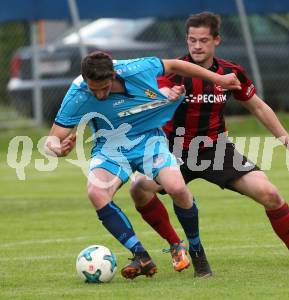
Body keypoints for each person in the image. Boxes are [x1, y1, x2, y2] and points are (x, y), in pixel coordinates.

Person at [130, 11, 289, 277]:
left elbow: (258, 107)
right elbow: (155, 98)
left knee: (271, 194)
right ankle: (176, 245)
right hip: (173, 151)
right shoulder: (174, 71)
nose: (197, 46)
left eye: (203, 40)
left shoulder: (231, 73)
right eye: (192, 40)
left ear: (216, 41)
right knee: (139, 189)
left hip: (216, 150)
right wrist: (166, 97)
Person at [45, 51, 241, 279]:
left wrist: (218, 79)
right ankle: (141, 255)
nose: (99, 94)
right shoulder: (78, 93)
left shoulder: (138, 68)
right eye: (93, 89)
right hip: (110, 147)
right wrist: (57, 149)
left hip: (149, 140)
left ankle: (197, 250)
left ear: (114, 76)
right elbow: (52, 138)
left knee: (177, 188)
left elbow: (177, 65)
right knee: (96, 192)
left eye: (104, 88)